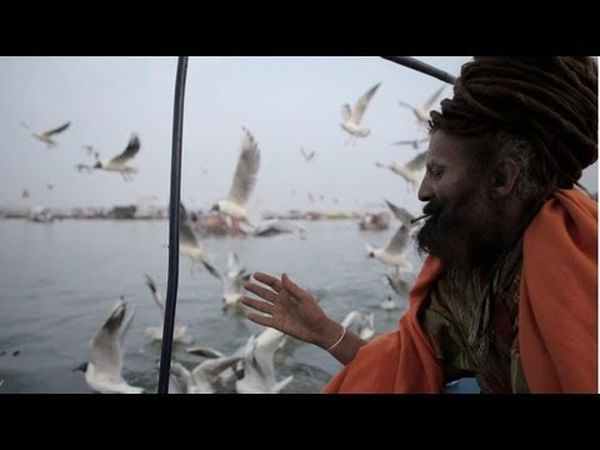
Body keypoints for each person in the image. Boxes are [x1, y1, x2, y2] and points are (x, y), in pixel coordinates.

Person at [241, 57, 598, 394]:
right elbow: (406, 369)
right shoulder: (465, 267)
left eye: (438, 171)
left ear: (502, 177)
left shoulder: (581, 272)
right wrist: (323, 330)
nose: (423, 191)